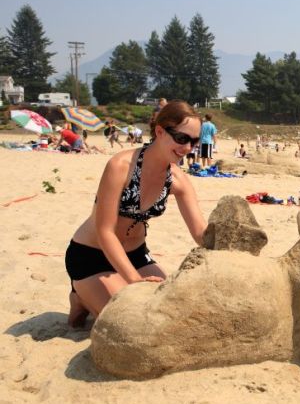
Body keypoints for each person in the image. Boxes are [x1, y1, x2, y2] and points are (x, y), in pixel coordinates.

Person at [65, 101, 207, 327]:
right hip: (91, 256)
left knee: (170, 311)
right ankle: (80, 297)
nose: (188, 148)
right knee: (127, 321)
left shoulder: (178, 179)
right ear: (160, 132)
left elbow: (201, 232)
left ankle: (98, 294)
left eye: (194, 141)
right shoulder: (121, 166)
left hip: (136, 255)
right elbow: (105, 231)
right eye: (182, 139)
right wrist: (134, 280)